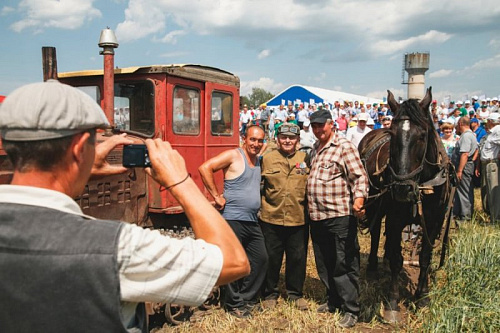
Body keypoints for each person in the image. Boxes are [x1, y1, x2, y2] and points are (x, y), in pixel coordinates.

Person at [0, 80, 250, 333]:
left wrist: (78, 174)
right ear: (78, 150)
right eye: (94, 142)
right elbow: (233, 262)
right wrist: (180, 181)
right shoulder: (117, 247)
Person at [306, 110, 368, 328]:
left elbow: (359, 176)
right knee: (324, 262)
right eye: (313, 125)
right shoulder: (315, 149)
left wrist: (359, 199)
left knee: (344, 263)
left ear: (331, 124)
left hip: (339, 215)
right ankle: (333, 300)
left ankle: (351, 308)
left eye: (321, 125)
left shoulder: (344, 147)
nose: (317, 129)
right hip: (318, 215)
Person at [198, 125, 268, 318]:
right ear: (244, 138)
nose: (256, 144)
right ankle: (233, 304)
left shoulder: (258, 160)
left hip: (252, 220)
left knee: (260, 259)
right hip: (233, 218)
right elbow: (205, 168)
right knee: (232, 262)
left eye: (259, 140)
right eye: (252, 139)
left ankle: (245, 299)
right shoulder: (233, 155)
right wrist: (216, 195)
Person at [259, 123, 309, 311]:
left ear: (297, 140)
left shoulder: (306, 158)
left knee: (297, 258)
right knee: (271, 258)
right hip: (271, 217)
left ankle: (295, 294)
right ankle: (270, 293)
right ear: (277, 139)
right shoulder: (266, 159)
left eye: (292, 138)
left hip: (298, 218)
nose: (287, 141)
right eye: (283, 137)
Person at [452, 116, 478, 223]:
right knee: (461, 190)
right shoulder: (470, 135)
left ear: (461, 124)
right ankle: (459, 213)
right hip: (466, 165)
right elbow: (476, 150)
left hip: (464, 166)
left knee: (464, 191)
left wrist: (459, 170)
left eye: (457, 124)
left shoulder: (466, 136)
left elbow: (464, 154)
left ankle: (465, 217)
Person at [476, 113, 500, 223]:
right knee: (487, 189)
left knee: (493, 192)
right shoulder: (491, 133)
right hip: (486, 163)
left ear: (491, 121)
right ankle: (491, 214)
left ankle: (495, 218)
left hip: (492, 163)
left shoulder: (497, 130)